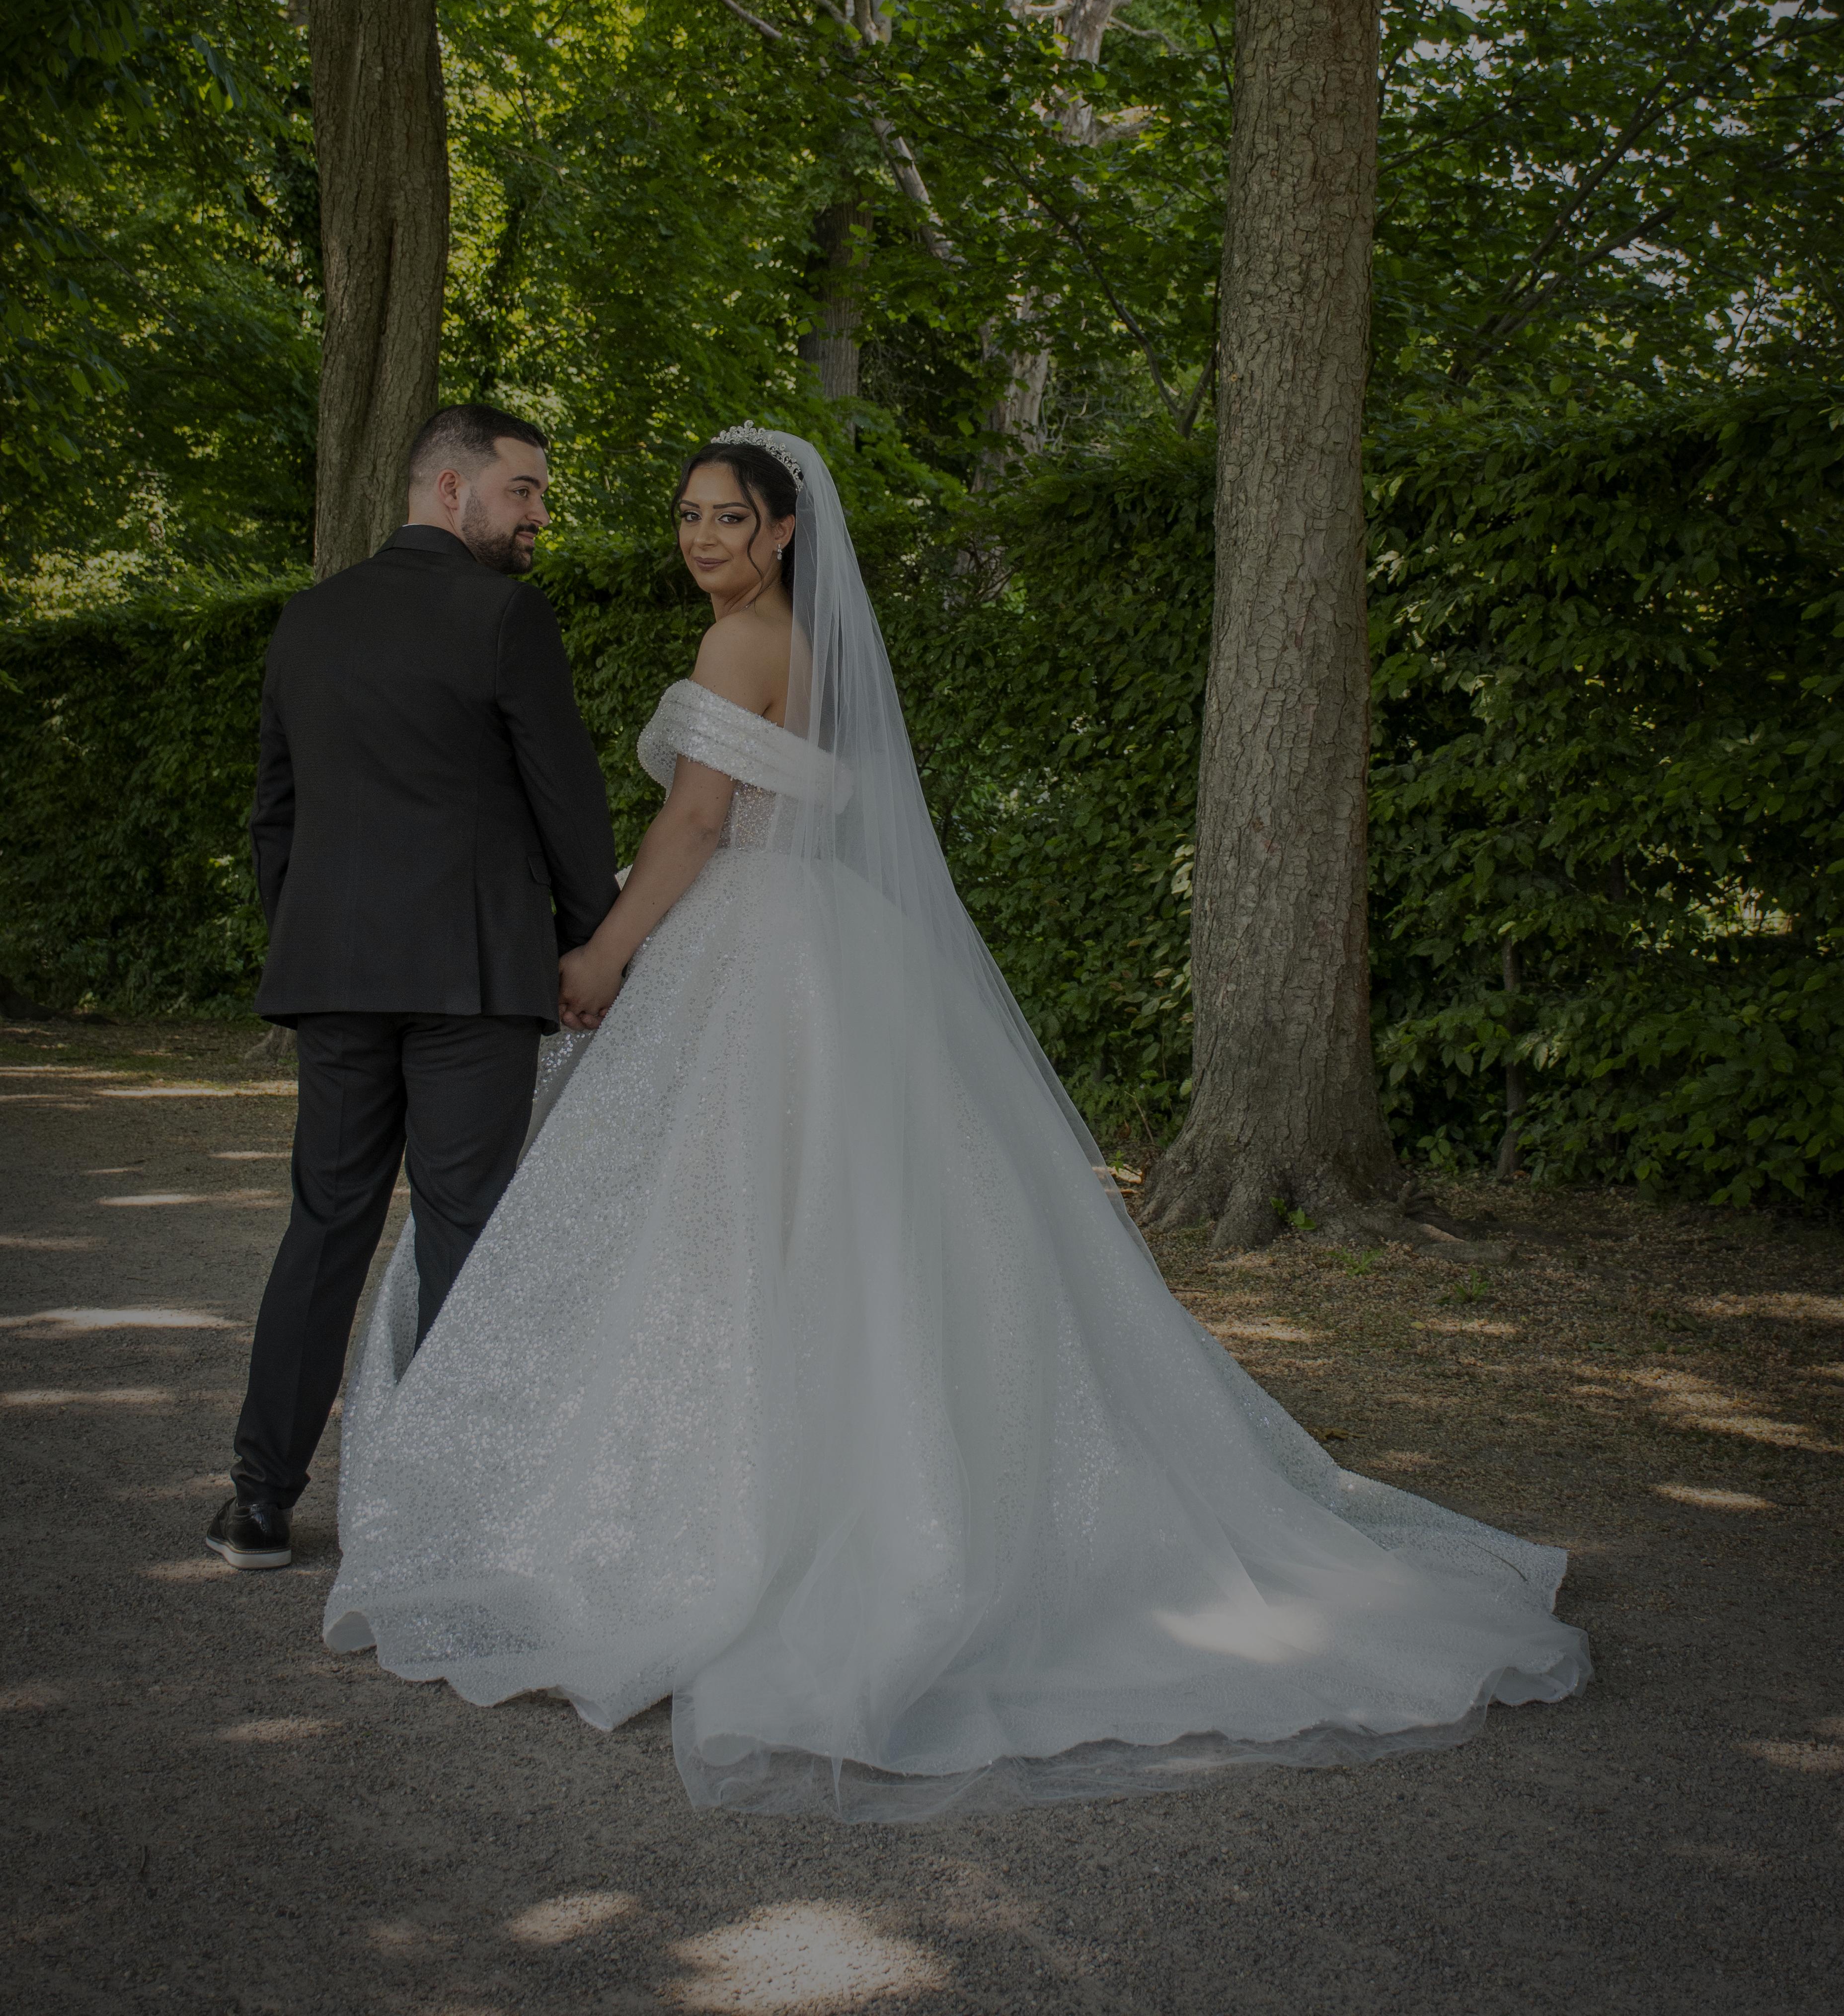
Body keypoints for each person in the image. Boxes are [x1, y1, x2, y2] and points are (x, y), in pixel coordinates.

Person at [322, 424, 1589, 1815]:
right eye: (687, 516)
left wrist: (605, 956)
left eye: (729, 518)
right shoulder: (820, 652)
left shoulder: (739, 644)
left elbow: (691, 829)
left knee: (730, 1220)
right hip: (828, 942)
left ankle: (734, 1517)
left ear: (784, 532)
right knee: (845, 1224)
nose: (701, 540)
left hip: (748, 946)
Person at [206, 405, 617, 1572]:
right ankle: (446, 1516)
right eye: (523, 490)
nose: (539, 515)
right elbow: (566, 799)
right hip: (471, 975)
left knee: (326, 1221)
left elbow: (275, 813)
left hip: (336, 973)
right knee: (464, 1227)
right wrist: (593, 945)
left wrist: (311, 941)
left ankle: (258, 1502)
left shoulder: (309, 619)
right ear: (449, 488)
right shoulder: (506, 616)